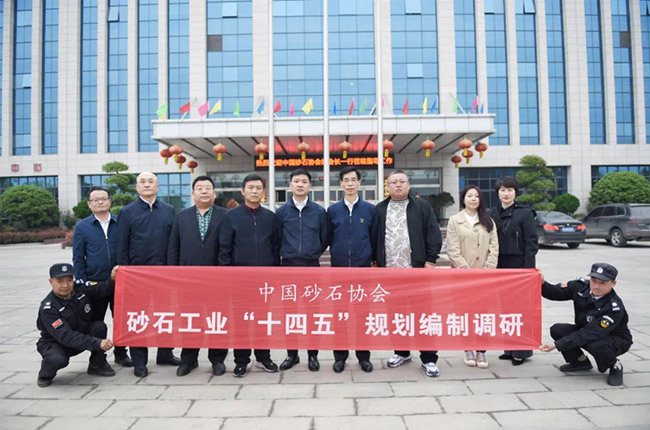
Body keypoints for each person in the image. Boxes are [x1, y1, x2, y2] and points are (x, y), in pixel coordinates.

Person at [373, 170, 443, 377]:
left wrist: (430, 260)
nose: (398, 185)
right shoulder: (380, 209)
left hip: (417, 271)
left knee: (423, 314)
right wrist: (375, 262)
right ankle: (401, 352)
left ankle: (429, 358)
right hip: (390, 273)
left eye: (402, 181)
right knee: (396, 315)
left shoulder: (421, 206)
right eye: (393, 182)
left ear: (408, 185)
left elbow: (433, 234)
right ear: (387, 186)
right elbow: (374, 237)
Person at [117, 172, 180, 377]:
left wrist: (173, 270)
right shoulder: (127, 212)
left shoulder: (169, 210)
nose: (146, 184)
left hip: (164, 274)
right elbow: (122, 245)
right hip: (137, 276)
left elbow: (174, 242)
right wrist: (125, 272)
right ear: (137, 187)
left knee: (166, 314)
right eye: (142, 182)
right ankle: (139, 362)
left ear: (157, 186)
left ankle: (165, 354)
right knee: (139, 317)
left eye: (150, 181)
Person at [219, 173, 280, 377]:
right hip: (239, 280)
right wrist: (227, 276)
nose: (254, 191)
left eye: (258, 188)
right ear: (243, 191)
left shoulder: (270, 217)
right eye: (250, 188)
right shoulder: (231, 216)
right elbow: (225, 248)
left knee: (263, 319)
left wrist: (275, 274)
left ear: (263, 193)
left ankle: (263, 357)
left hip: (265, 280)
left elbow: (275, 247)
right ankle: (241, 361)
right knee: (241, 320)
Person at [168, 176, 228, 377]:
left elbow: (229, 247)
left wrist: (224, 272)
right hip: (188, 279)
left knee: (216, 319)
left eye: (208, 188)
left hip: (217, 279)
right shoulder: (181, 217)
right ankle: (189, 359)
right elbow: (173, 247)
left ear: (214, 193)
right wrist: (174, 274)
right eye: (199, 188)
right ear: (192, 193)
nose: (204, 191)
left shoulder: (225, 216)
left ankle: (217, 359)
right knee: (190, 319)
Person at [539, 263, 632, 386]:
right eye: (594, 281)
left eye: (603, 283)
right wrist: (542, 282)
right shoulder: (580, 286)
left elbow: (589, 334)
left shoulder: (614, 308)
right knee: (558, 329)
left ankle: (615, 365)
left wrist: (556, 345)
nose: (597, 286)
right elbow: (554, 292)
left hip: (615, 339)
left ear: (613, 284)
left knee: (595, 344)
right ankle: (580, 362)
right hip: (586, 330)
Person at [72, 186, 132, 368]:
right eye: (95, 200)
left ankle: (121, 353)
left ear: (110, 201)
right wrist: (81, 282)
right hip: (95, 283)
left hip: (119, 281)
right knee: (96, 322)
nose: (100, 202)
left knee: (121, 318)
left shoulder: (120, 223)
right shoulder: (82, 227)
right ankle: (98, 357)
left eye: (104, 199)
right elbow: (78, 257)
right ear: (89, 204)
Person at [276, 169, 329, 372]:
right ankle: (292, 354)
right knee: (289, 312)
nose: (300, 185)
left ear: (310, 186)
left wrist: (312, 252)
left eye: (304, 181)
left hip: (311, 267)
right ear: (290, 185)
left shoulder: (319, 212)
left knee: (312, 312)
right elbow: (276, 238)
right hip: (288, 267)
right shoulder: (282, 212)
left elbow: (325, 237)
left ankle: (312, 355)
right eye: (296, 181)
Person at [36, 263, 117, 387]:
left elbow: (102, 289)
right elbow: (66, 336)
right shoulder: (48, 308)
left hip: (79, 336)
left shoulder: (79, 289)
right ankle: (45, 374)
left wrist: (113, 278)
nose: (65, 285)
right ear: (51, 282)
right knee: (57, 359)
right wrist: (97, 343)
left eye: (69, 280)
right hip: (56, 344)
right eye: (60, 281)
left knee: (99, 327)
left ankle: (97, 364)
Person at [328, 166, 375, 373]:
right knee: (340, 315)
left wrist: (373, 260)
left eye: (353, 180)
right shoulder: (332, 211)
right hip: (338, 271)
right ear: (340, 184)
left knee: (362, 315)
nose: (349, 184)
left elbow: (374, 237)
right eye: (345, 180)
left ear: (359, 182)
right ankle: (340, 357)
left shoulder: (369, 210)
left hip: (362, 270)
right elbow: (328, 237)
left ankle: (364, 357)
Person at [446, 185, 499, 369]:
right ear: (463, 199)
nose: (473, 199)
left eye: (477, 196)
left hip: (485, 278)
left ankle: (481, 350)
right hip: (462, 278)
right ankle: (468, 348)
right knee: (465, 313)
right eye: (469, 196)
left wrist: (487, 270)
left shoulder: (488, 221)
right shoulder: (455, 220)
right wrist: (466, 271)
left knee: (483, 314)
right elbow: (452, 249)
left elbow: (494, 248)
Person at [490, 176, 538, 365]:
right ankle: (509, 348)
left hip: (519, 265)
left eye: (510, 190)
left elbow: (531, 244)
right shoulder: (492, 213)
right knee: (504, 308)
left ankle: (522, 351)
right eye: (502, 190)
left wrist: (528, 270)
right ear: (498, 193)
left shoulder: (525, 213)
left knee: (520, 309)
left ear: (515, 192)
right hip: (499, 265)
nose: (506, 194)